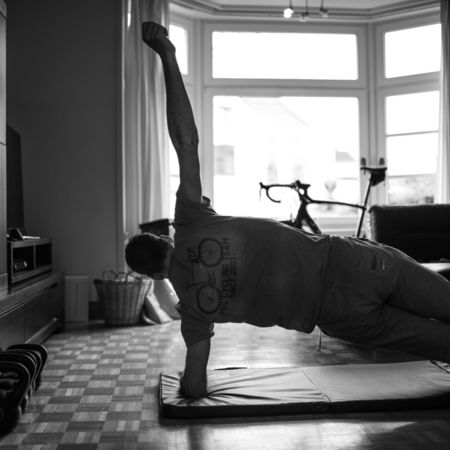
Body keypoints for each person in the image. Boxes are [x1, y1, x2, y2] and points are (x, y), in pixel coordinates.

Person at [126, 22, 450, 399]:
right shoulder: (190, 221)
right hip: (353, 264)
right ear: (165, 238)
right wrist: (168, 55)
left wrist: (185, 386)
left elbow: (195, 387)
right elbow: (186, 141)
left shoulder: (195, 312)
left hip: (336, 315)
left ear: (154, 276)